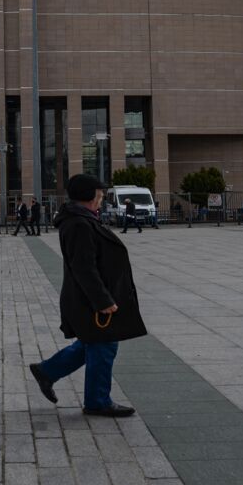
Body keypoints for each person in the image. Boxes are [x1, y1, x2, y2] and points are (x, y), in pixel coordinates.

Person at [28, 174, 146, 417]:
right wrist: (102, 301)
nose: (101, 201)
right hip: (89, 300)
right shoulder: (79, 224)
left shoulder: (81, 220)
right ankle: (97, 401)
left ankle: (47, 371)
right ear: (91, 197)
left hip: (86, 297)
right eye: (100, 196)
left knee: (94, 342)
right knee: (103, 345)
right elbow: (84, 267)